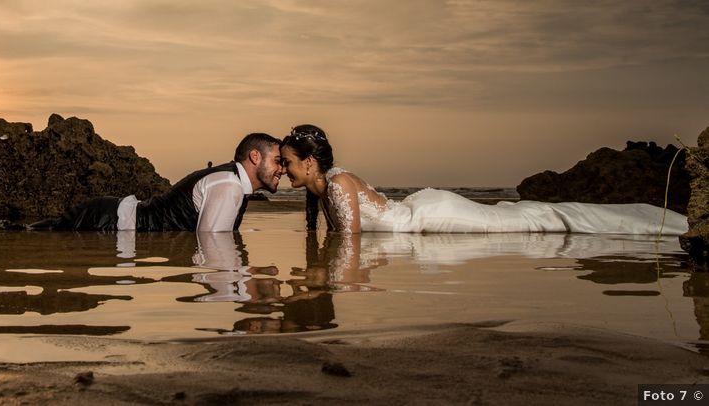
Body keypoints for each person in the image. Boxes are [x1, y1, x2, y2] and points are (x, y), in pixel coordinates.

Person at [279, 124, 689, 235]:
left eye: (287, 162)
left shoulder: (336, 183)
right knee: (522, 217)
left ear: (310, 162)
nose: (284, 170)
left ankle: (663, 223)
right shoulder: (319, 190)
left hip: (430, 215)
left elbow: (348, 246)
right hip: (419, 218)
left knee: (525, 220)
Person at [31, 133, 283, 232]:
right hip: (107, 222)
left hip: (112, 220)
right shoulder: (229, 186)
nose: (282, 169)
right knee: (32, 236)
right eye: (278, 161)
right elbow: (212, 245)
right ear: (255, 156)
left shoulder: (233, 182)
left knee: (34, 232)